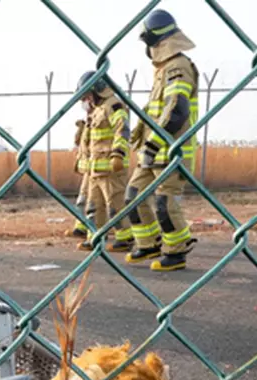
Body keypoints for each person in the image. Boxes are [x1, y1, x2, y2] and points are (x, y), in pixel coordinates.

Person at [124, 9, 200, 272]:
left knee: (164, 203)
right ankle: (149, 243)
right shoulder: (164, 70)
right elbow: (157, 111)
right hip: (152, 152)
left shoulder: (178, 66)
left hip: (170, 152)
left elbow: (177, 110)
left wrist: (153, 144)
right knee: (133, 195)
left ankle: (176, 252)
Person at [76, 70, 133, 252]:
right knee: (94, 206)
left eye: (87, 94)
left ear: (97, 89)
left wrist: (118, 154)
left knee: (115, 205)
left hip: (111, 169)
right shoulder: (96, 111)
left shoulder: (114, 105)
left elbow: (122, 129)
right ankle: (95, 238)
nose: (86, 100)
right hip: (95, 169)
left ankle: (125, 238)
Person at [68, 116, 98, 239]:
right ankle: (81, 226)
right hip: (89, 168)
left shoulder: (100, 121)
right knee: (83, 198)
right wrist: (81, 129)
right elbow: (79, 143)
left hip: (97, 167)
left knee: (93, 200)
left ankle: (91, 228)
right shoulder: (88, 124)